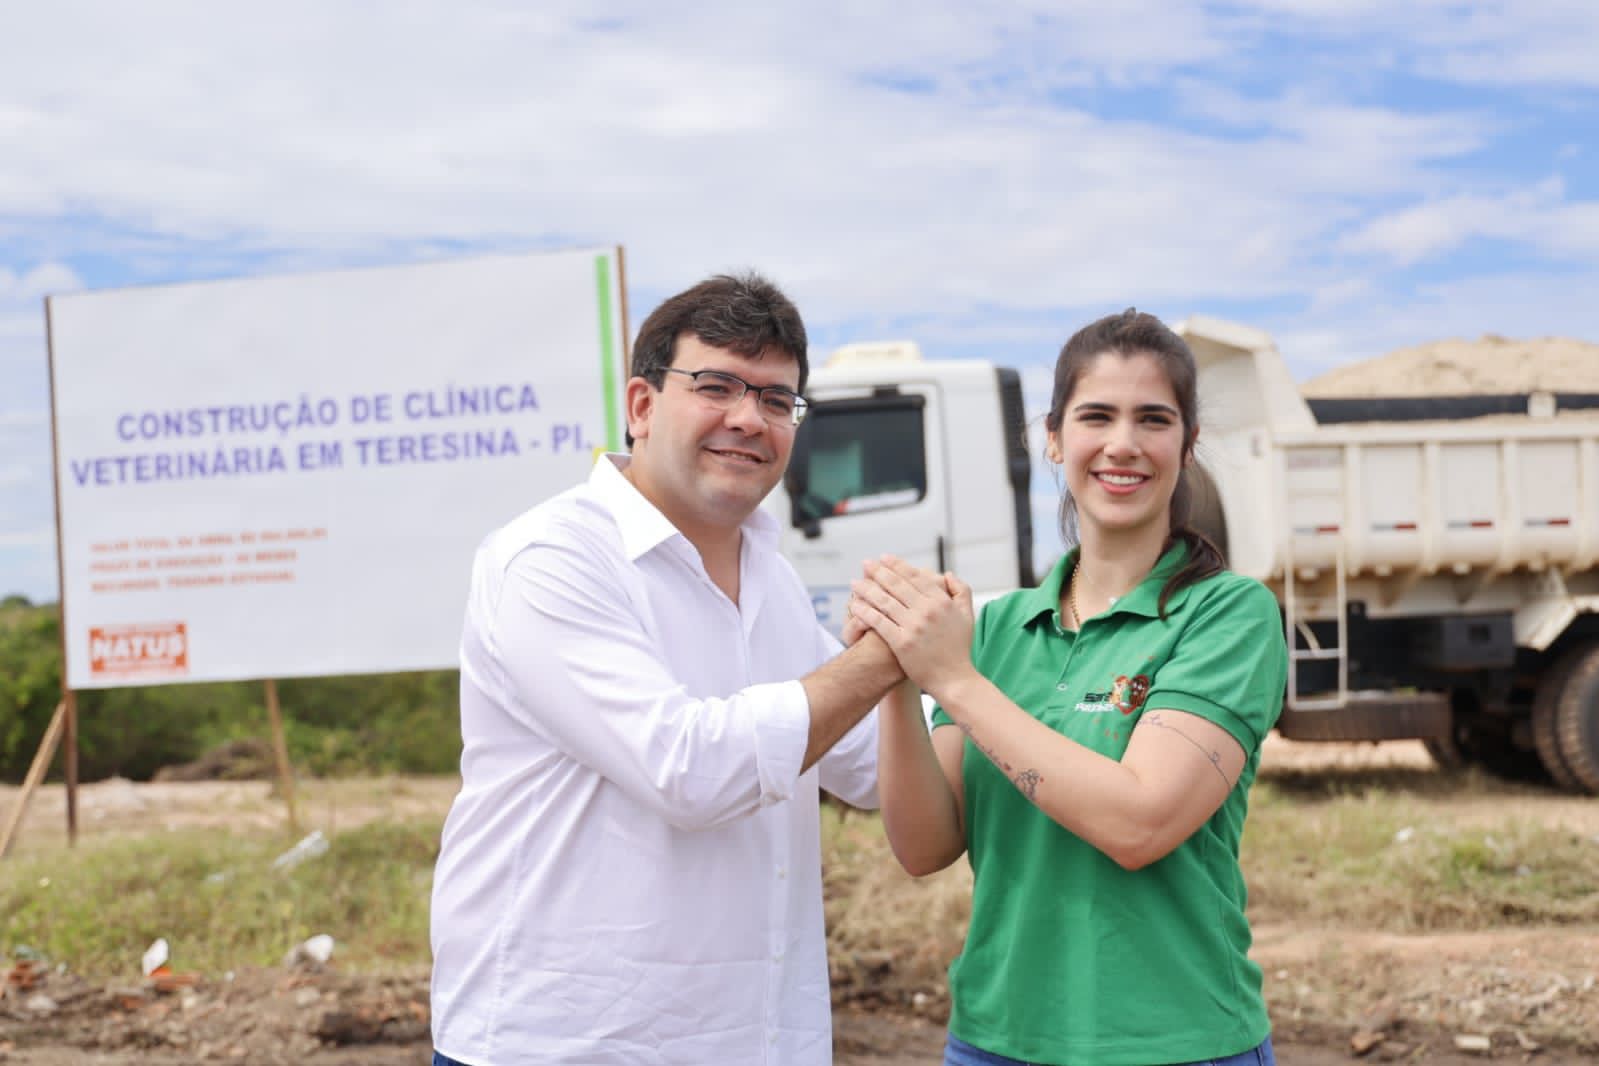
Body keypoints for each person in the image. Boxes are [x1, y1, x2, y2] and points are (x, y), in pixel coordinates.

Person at [429, 273, 903, 1066]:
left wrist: (1033, 704)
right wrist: (887, 655)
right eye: (716, 385)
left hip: (755, 1038)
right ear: (642, 407)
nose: (748, 419)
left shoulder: (772, 578)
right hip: (569, 1044)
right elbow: (691, 770)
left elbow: (872, 766)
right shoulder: (549, 559)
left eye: (777, 400)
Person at [848, 308, 1288, 1066]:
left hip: (1175, 1042)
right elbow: (923, 848)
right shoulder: (997, 630)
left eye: (1153, 419)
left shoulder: (1227, 613)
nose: (1122, 444)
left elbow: (1138, 824)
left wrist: (950, 677)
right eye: (1096, 416)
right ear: (1052, 438)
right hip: (995, 1039)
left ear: (1186, 448)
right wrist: (894, 672)